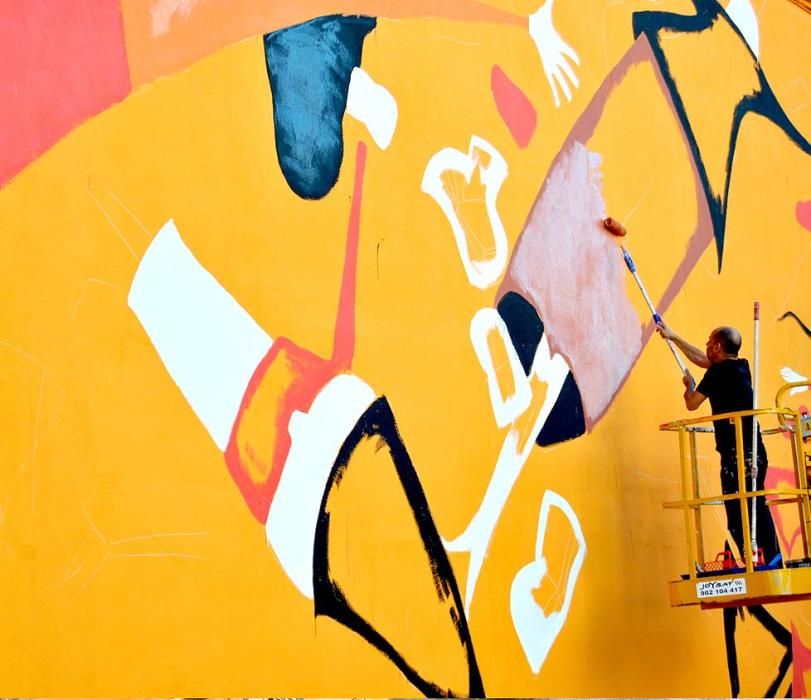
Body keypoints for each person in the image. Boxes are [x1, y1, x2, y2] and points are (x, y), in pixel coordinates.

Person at [657, 323, 780, 566]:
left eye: (708, 342)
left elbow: (692, 404)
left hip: (735, 456)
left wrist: (689, 387)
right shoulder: (741, 367)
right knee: (757, 503)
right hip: (756, 450)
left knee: (736, 512)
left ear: (717, 346)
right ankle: (772, 558)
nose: (705, 347)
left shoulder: (716, 374)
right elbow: (704, 360)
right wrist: (674, 336)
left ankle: (751, 560)